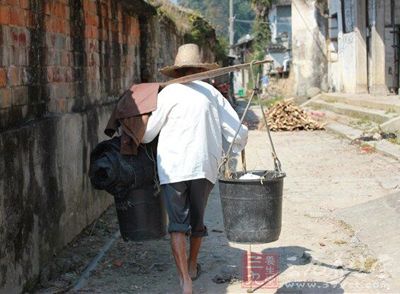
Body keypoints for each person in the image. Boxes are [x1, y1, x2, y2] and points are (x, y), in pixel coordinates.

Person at [142, 43, 248, 294]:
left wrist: (142, 118)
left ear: (176, 70)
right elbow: (238, 133)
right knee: (197, 222)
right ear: (200, 67)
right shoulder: (212, 94)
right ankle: (191, 266)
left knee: (177, 224)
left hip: (173, 167)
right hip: (203, 166)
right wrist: (232, 151)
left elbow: (147, 136)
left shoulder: (167, 94)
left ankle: (185, 282)